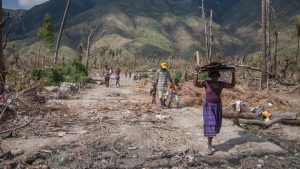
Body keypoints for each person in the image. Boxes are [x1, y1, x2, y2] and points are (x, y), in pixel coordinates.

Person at [194, 66, 235, 155]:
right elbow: (196, 84)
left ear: (218, 76)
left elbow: (232, 85)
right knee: (210, 124)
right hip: (208, 106)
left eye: (216, 75)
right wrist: (196, 73)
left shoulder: (221, 84)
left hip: (217, 106)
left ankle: (210, 143)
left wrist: (233, 73)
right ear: (210, 76)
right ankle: (209, 146)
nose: (215, 77)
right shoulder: (206, 83)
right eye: (213, 75)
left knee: (215, 125)